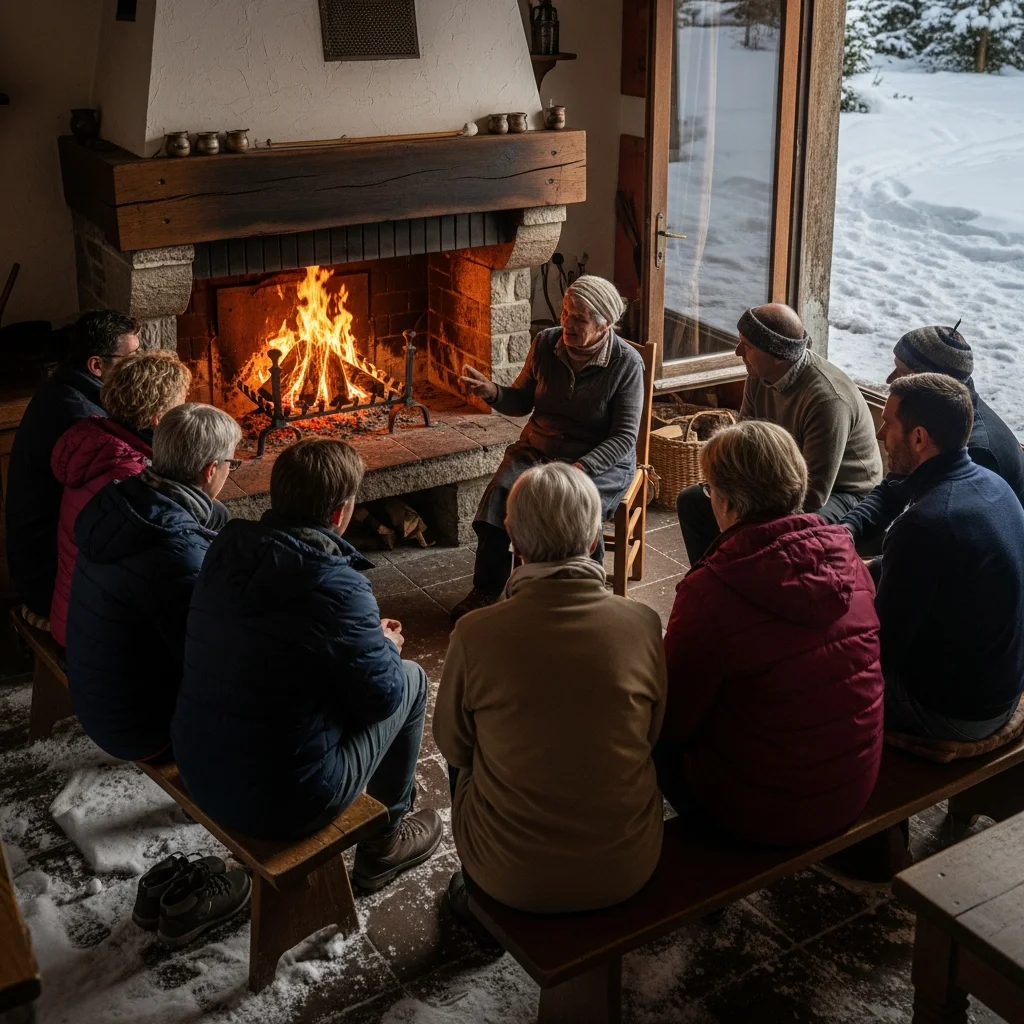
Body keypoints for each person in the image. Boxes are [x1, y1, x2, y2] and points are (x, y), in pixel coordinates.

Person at [171, 439, 442, 892]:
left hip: (198, 764)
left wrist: (361, 637)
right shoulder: (337, 583)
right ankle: (384, 845)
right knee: (410, 682)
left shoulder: (224, 550)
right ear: (339, 514)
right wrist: (387, 647)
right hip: (284, 800)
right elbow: (382, 699)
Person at [435, 463, 666, 918]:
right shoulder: (642, 624)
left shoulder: (475, 633)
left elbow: (454, 745)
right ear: (592, 541)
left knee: (464, 749)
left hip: (508, 877)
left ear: (514, 543)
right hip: (628, 866)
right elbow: (652, 735)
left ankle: (480, 912)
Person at [657, 421, 884, 845]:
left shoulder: (711, 591)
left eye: (709, 491)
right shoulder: (847, 558)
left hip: (765, 811)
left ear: (726, 502)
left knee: (645, 732)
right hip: (851, 787)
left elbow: (673, 720)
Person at [452, 275, 643, 620]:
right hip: (538, 449)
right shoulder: (545, 343)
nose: (567, 323)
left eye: (580, 318)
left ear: (605, 325)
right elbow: (522, 400)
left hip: (597, 460)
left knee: (577, 507)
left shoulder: (626, 364)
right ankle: (486, 587)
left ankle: (588, 599)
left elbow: (624, 437)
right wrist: (491, 393)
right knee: (501, 495)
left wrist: (577, 470)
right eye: (566, 312)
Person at [845, 373, 1024, 741]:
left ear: (919, 438)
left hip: (956, 713)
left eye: (888, 424)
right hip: (1001, 688)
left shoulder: (926, 523)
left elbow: (881, 652)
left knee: (799, 677)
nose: (880, 434)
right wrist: (863, 568)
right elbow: (938, 567)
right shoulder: (993, 485)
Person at [65, 404, 242, 763]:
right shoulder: (174, 550)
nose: (229, 470)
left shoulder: (123, 503)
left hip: (98, 700)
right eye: (231, 464)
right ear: (211, 470)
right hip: (142, 728)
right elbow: (211, 660)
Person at [676, 303, 882, 564]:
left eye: (747, 346)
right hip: (781, 479)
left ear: (778, 356)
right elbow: (745, 444)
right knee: (693, 501)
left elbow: (815, 493)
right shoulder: (758, 374)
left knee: (773, 532)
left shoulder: (827, 400)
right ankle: (711, 581)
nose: (738, 351)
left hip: (845, 493)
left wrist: (750, 505)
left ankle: (760, 593)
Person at [5, 310, 140, 628]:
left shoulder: (66, 388)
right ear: (96, 365)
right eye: (132, 358)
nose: (140, 366)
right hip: (49, 582)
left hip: (44, 565)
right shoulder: (80, 418)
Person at [49, 350, 191, 647]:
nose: (186, 408)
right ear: (159, 418)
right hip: (92, 639)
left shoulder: (96, 444)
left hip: (74, 615)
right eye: (182, 402)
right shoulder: (131, 476)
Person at [885, 323, 1024, 505]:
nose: (889, 379)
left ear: (930, 385)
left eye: (902, 373)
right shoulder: (942, 420)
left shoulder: (975, 452)